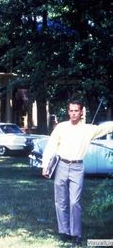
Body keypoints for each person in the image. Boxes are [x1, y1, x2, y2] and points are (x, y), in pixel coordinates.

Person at [42, 99, 113, 246]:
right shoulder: (61, 127)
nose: (73, 114)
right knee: (60, 201)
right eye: (71, 111)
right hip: (61, 165)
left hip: (77, 168)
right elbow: (51, 146)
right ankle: (64, 231)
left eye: (76, 111)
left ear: (81, 112)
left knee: (74, 202)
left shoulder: (88, 129)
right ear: (68, 112)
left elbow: (107, 128)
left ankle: (76, 234)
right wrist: (45, 166)